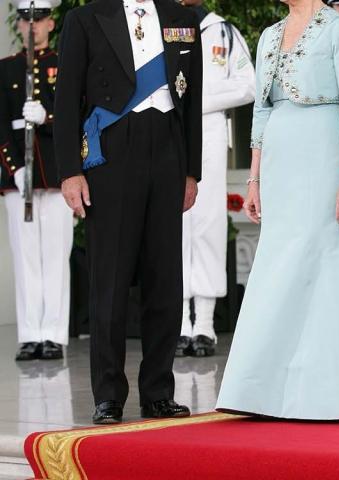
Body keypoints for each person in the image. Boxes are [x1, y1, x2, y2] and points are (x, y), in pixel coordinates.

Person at [55, 0, 203, 424]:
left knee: (165, 279)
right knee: (110, 279)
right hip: (111, 152)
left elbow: (192, 99)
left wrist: (191, 171)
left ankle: (158, 391)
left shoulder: (181, 18)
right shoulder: (85, 19)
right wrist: (70, 172)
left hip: (167, 151)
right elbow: (67, 98)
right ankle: (108, 395)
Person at [216, 0, 339, 420]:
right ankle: (259, 390)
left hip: (324, 153)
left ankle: (333, 393)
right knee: (277, 262)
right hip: (280, 158)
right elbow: (260, 110)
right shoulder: (268, 35)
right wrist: (254, 179)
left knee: (325, 256)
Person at [176, 0, 256, 358]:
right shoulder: (164, 24)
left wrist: (197, 99)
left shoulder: (224, 31)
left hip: (208, 131)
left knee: (207, 222)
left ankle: (205, 324)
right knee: (172, 226)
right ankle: (177, 324)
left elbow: (247, 85)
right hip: (169, 130)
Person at [0, 0, 73, 362]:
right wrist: (14, 168)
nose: (32, 26)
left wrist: (49, 116)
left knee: (55, 256)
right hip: (20, 178)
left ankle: (54, 335)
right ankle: (30, 334)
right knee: (26, 256)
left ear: (50, 22)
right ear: (18, 24)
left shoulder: (64, 65)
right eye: (25, 19)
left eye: (38, 19)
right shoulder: (6, 68)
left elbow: (78, 116)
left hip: (58, 175)